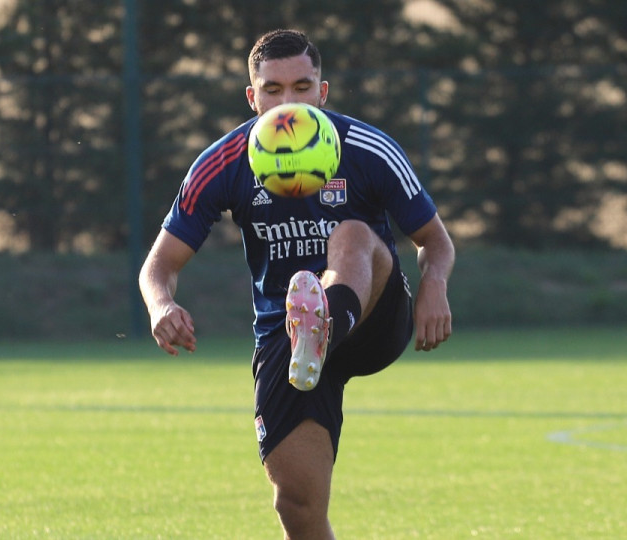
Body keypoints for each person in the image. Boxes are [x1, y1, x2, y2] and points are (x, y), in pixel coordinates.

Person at [140, 29, 454, 539]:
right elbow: (158, 266)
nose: (288, 102)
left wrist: (434, 284)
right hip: (291, 346)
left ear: (323, 92)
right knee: (298, 506)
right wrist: (161, 306)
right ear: (252, 96)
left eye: (303, 87)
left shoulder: (368, 148)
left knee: (352, 232)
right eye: (273, 90)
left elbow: (435, 241)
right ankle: (312, 334)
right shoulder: (224, 161)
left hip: (373, 317)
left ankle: (327, 318)